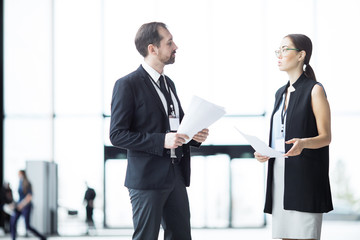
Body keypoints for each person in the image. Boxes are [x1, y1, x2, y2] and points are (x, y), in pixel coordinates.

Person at [110, 22, 209, 240]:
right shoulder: (127, 84)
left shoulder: (169, 84)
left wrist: (194, 137)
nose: (176, 46)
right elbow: (116, 135)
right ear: (152, 48)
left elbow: (178, 127)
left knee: (181, 236)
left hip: (176, 174)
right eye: (169, 42)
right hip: (147, 178)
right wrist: (161, 141)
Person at [254, 34, 333, 240]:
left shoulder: (314, 90)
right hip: (280, 176)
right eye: (277, 50)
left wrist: (303, 143)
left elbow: (326, 137)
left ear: (301, 55)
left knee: (304, 236)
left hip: (305, 177)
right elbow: (280, 134)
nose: (279, 55)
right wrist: (266, 152)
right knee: (285, 236)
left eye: (284, 49)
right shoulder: (280, 93)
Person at [10, 170, 47, 240]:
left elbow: (29, 197)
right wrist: (15, 204)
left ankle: (42, 237)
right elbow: (20, 196)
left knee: (28, 226)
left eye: (20, 174)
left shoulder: (27, 183)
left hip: (26, 206)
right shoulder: (19, 183)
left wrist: (21, 205)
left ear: (23, 174)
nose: (19, 176)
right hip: (19, 206)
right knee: (13, 222)